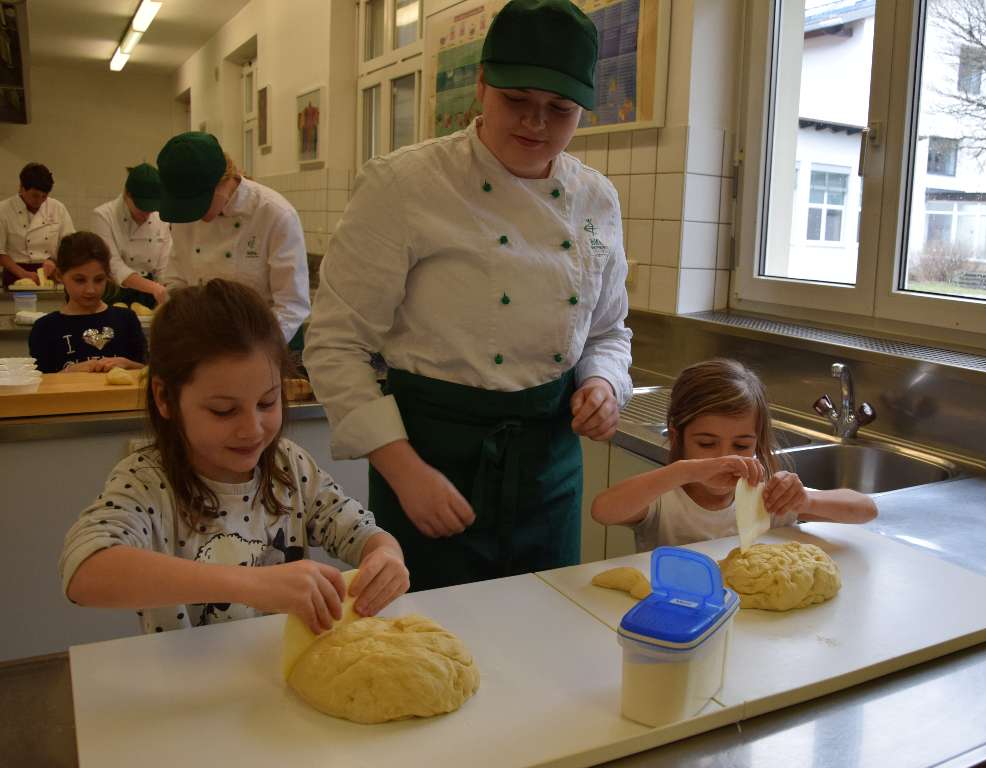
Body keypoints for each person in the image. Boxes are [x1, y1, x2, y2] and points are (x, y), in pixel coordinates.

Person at [304, 0, 632, 591]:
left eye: (559, 109)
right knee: (425, 646)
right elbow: (334, 343)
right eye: (516, 101)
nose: (536, 124)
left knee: (542, 634)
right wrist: (404, 472)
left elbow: (608, 331)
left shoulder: (597, 200)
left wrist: (603, 382)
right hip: (431, 461)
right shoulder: (404, 185)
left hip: (547, 468)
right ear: (481, 85)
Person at [59, 279, 410, 635]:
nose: (252, 429)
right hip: (188, 678)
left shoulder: (290, 466)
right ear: (164, 398)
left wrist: (386, 555)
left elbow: (363, 533)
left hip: (279, 673)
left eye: (267, 403)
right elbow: (84, 570)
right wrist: (249, 584)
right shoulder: (147, 481)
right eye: (224, 411)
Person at [591, 359, 878, 550]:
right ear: (677, 437)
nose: (725, 458)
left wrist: (805, 499)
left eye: (741, 446)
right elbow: (603, 510)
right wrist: (684, 471)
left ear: (757, 441)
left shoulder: (765, 497)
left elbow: (865, 509)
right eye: (706, 444)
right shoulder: (665, 500)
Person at [156, 132, 309, 344]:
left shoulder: (274, 214)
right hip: (204, 342)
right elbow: (177, 281)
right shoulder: (185, 219)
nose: (193, 216)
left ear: (222, 183)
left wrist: (253, 353)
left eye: (197, 204)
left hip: (265, 341)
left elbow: (292, 305)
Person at [28, 231, 146, 373]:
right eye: (80, 280)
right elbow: (41, 387)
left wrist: (128, 364)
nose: (90, 290)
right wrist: (69, 372)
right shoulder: (45, 328)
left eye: (98, 280)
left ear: (108, 276)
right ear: (59, 276)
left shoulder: (126, 320)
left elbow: (147, 372)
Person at [92, 164, 172, 307]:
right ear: (127, 194)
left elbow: (164, 267)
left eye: (151, 208)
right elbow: (113, 265)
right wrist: (155, 288)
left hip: (150, 295)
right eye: (142, 207)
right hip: (115, 292)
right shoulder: (104, 216)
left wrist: (166, 291)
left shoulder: (161, 219)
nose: (147, 214)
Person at [0, 162, 75, 287]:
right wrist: (23, 274)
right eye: (35, 195)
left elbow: (69, 245)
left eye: (44, 196)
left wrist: (54, 261)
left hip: (50, 274)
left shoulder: (58, 208)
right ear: (21, 188)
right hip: (15, 274)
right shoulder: (3, 210)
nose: (39, 201)